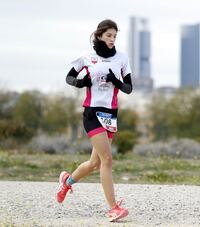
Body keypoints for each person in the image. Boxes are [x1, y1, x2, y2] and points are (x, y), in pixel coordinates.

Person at [56, 19, 133, 222]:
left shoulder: (122, 58)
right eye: (108, 35)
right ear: (99, 35)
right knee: (107, 160)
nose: (112, 39)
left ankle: (67, 181)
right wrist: (82, 82)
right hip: (92, 112)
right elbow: (69, 78)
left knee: (94, 163)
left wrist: (115, 81)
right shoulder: (87, 56)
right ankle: (113, 208)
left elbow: (128, 88)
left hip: (111, 114)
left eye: (115, 36)